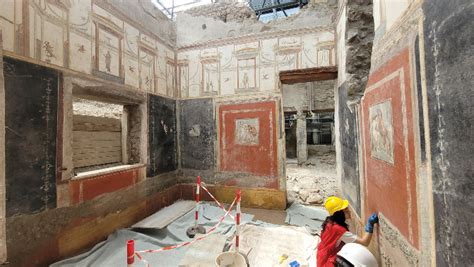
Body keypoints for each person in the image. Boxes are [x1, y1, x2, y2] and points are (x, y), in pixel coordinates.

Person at [316, 196, 379, 267]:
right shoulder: (339, 230)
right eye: (345, 209)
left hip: (321, 258)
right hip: (328, 263)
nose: (349, 211)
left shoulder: (329, 222)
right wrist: (370, 225)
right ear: (339, 213)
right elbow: (365, 242)